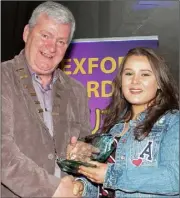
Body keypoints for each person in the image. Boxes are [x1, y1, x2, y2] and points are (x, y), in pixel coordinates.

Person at [1, 1, 92, 197]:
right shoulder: (3, 78)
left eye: (61, 41)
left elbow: (84, 144)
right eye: (45, 36)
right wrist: (52, 188)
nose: (52, 47)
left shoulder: (77, 91)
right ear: (27, 33)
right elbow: (2, 152)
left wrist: (82, 153)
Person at [71, 47, 179, 197]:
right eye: (129, 73)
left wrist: (111, 175)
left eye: (145, 74)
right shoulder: (114, 129)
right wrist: (81, 187)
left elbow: (174, 179)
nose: (135, 81)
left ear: (160, 82)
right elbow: (101, 184)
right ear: (121, 81)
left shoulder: (173, 122)